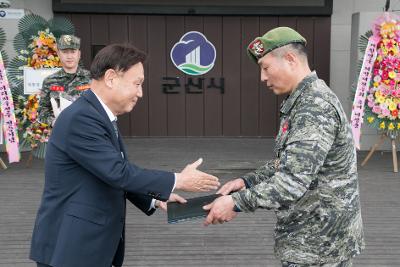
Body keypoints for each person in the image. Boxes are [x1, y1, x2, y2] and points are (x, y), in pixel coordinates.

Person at [30, 43, 220, 267]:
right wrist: (178, 179)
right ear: (111, 78)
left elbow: (107, 171)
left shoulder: (96, 114)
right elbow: (117, 172)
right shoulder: (82, 118)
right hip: (71, 246)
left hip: (87, 245)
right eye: (137, 84)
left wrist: (155, 200)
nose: (140, 93)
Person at [203, 27, 365, 267]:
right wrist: (248, 181)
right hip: (314, 237)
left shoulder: (314, 106)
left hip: (319, 245)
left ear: (290, 59)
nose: (262, 78)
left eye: (265, 67)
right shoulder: (304, 99)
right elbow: (290, 162)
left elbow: (292, 181)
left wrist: (237, 202)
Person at [37, 34, 91, 126]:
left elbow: (102, 106)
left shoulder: (92, 79)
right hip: (61, 134)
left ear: (79, 54)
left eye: (73, 52)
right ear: (58, 54)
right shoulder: (49, 81)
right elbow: (42, 111)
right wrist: (54, 122)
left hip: (87, 132)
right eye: (65, 52)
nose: (69, 56)